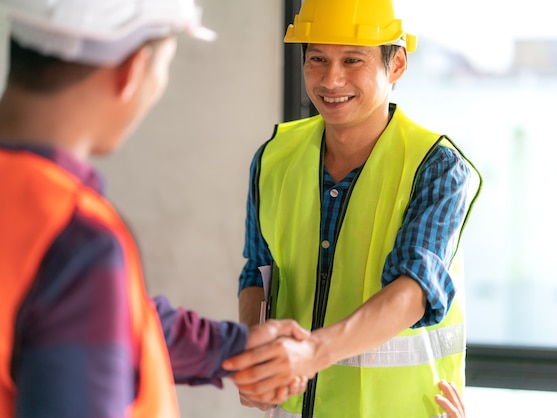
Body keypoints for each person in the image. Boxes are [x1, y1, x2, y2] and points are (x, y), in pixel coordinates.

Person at [0, 0, 310, 416]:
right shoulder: (75, 240)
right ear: (131, 72)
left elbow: (108, 320)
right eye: (163, 66)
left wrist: (233, 346)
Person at [223, 0, 482, 416]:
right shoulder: (273, 158)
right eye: (318, 59)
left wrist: (311, 352)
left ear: (396, 65)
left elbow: (413, 290)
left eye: (352, 60)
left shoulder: (436, 168)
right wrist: (255, 358)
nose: (331, 79)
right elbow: (258, 271)